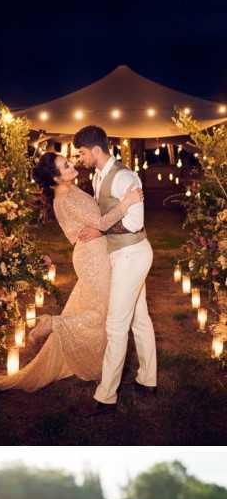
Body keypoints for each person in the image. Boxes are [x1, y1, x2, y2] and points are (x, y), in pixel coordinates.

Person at [0, 150, 143, 393]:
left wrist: (99, 228)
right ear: (55, 179)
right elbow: (102, 223)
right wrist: (127, 202)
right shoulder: (64, 199)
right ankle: (53, 323)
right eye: (65, 166)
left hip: (96, 252)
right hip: (92, 258)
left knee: (95, 309)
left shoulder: (71, 190)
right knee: (100, 313)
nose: (72, 165)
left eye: (69, 161)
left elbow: (97, 221)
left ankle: (98, 361)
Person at [74, 125, 157, 410]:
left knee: (116, 325)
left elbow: (134, 223)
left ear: (96, 150)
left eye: (82, 152)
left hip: (132, 255)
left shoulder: (124, 177)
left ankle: (106, 395)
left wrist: (100, 231)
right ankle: (148, 379)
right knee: (139, 319)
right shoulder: (98, 177)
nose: (80, 158)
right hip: (124, 255)